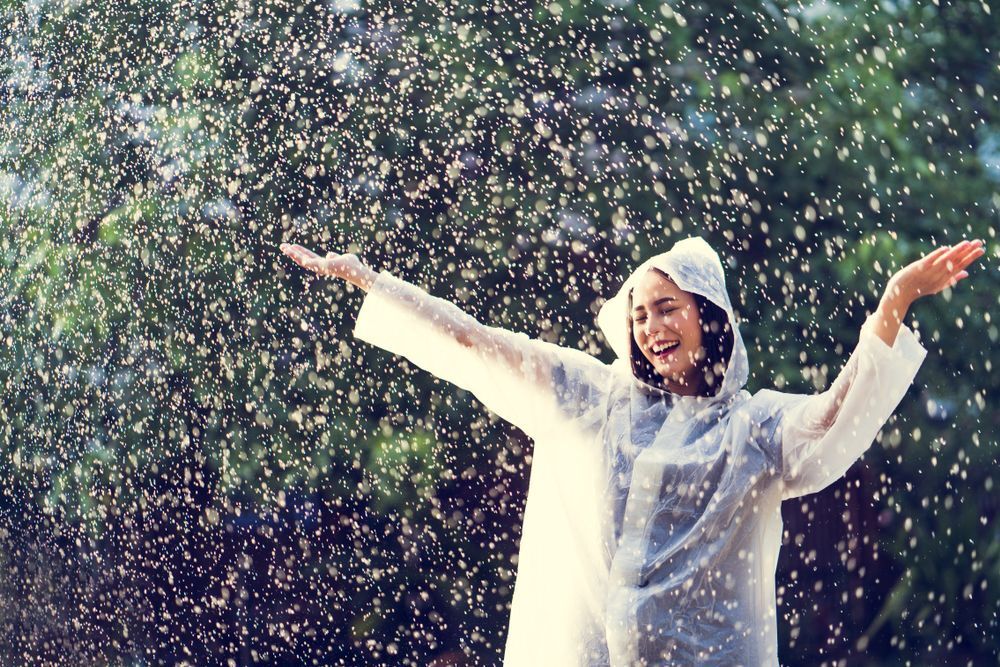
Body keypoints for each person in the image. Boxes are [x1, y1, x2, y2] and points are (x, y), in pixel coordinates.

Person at [280, 236, 984, 666]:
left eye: (668, 307)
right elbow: (481, 343)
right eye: (638, 313)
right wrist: (379, 285)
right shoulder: (596, 397)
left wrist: (893, 301)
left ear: (708, 318)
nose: (650, 326)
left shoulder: (754, 428)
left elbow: (834, 416)